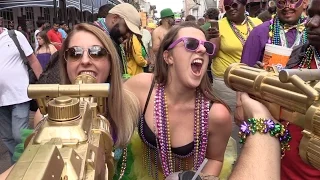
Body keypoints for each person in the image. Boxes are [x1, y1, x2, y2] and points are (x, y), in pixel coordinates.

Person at [0, 23, 140, 178]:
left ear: (111, 61)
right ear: (66, 63)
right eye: (75, 53)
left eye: (97, 52)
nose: (85, 60)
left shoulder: (130, 105)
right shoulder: (47, 114)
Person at [122, 22, 235, 180]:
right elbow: (110, 118)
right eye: (191, 44)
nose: (202, 49)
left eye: (207, 47)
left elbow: (215, 159)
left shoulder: (216, 114)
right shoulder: (141, 87)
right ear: (168, 57)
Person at [210, 0, 262, 154]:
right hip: (227, 84)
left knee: (253, 122)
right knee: (231, 126)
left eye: (234, 5)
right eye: (227, 7)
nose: (230, 9)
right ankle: (229, 161)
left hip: (253, 82)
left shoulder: (257, 22)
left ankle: (251, 156)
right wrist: (209, 40)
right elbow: (212, 53)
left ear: (244, 4)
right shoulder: (220, 25)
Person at [0, 16, 42, 163]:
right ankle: (17, 165)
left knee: (19, 134)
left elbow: (33, 60)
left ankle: (29, 161)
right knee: (7, 137)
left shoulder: (15, 36)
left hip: (20, 95)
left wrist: (43, 86)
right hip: (1, 100)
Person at [241, 0, 308, 67]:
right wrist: (256, 73)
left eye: (292, 1)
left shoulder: (312, 32)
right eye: (281, 2)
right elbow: (243, 72)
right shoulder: (260, 32)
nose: (287, 6)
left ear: (305, 3)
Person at [94, 3, 141, 77]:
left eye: (131, 33)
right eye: (127, 29)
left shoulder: (110, 39)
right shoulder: (95, 38)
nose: (128, 35)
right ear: (114, 19)